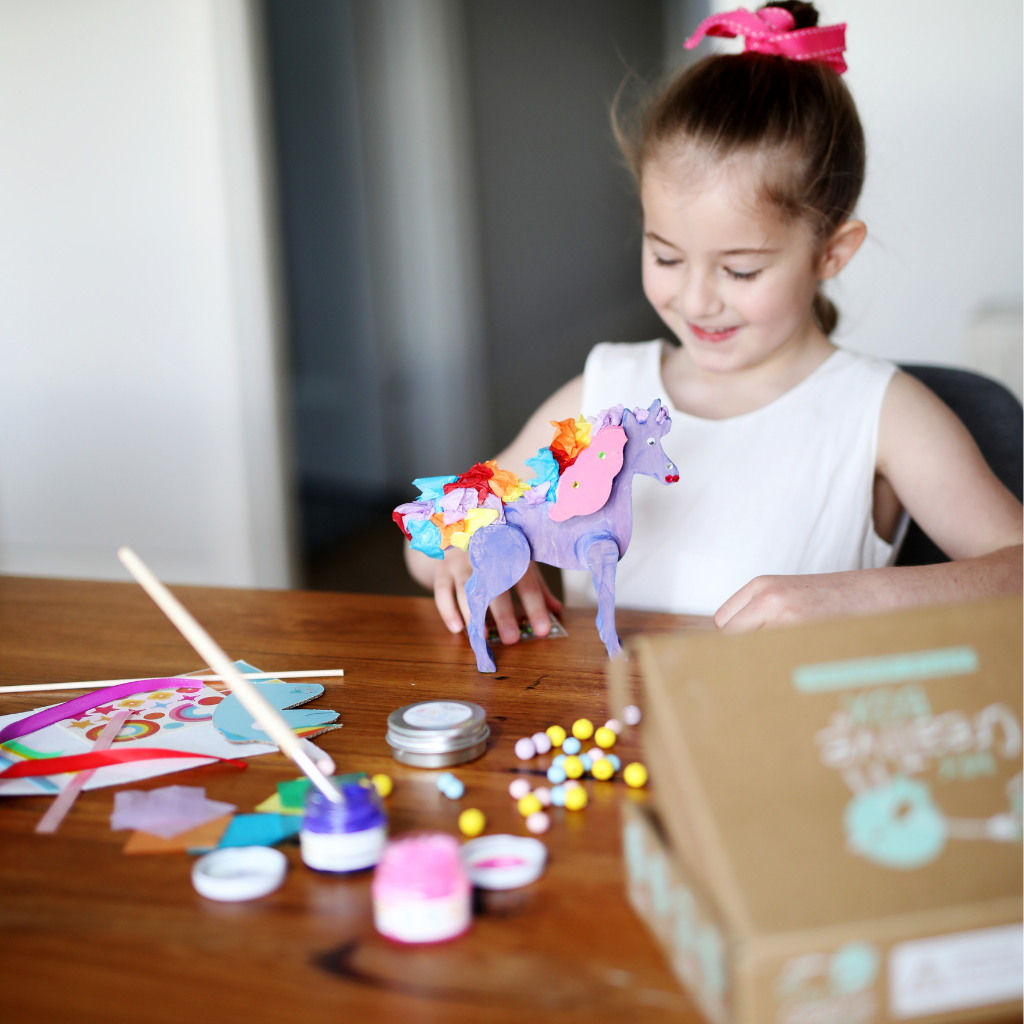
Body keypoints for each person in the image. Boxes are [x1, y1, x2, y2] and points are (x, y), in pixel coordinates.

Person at [405, 2, 1022, 642]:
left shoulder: (883, 415)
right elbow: (437, 519)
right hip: (608, 728)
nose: (696, 301)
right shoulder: (603, 397)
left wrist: (856, 597)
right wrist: (455, 549)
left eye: (741, 271)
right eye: (666, 256)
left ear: (831, 253)